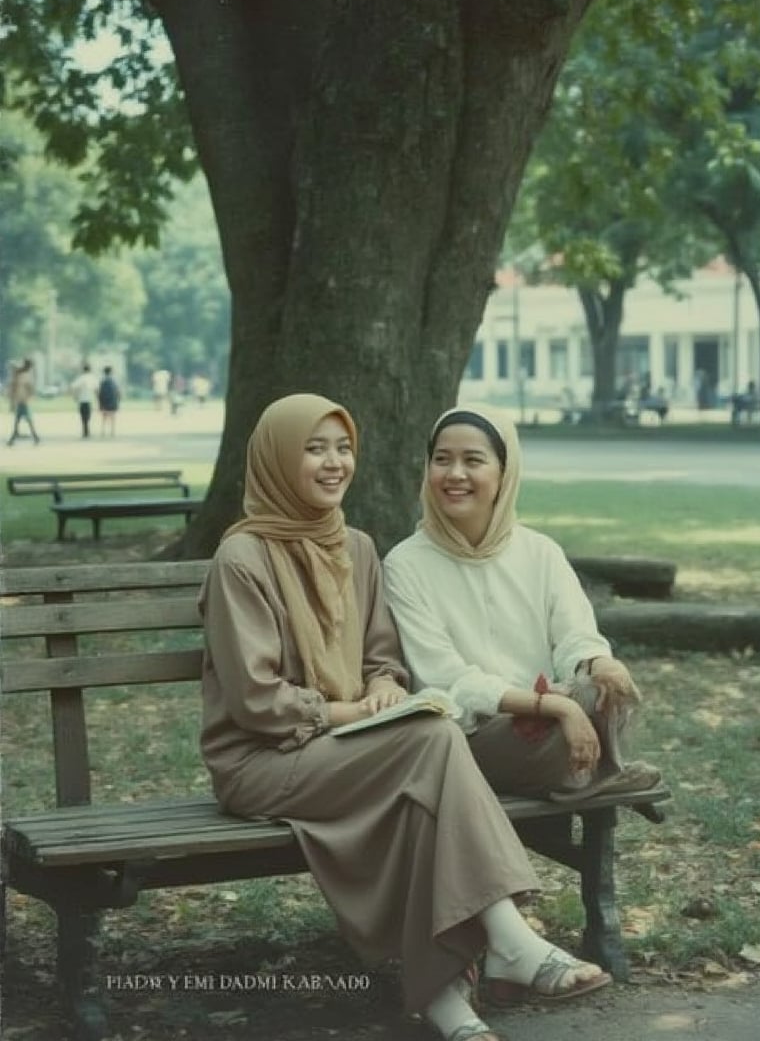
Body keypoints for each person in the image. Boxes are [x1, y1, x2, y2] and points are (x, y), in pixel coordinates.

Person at [199, 394, 611, 1041]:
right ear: (278, 459)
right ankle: (505, 938)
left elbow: (381, 659)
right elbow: (255, 702)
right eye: (314, 449)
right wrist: (350, 710)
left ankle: (446, 998)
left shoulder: (355, 547)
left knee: (425, 785)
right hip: (261, 761)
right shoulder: (241, 561)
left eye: (343, 448)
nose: (335, 463)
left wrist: (386, 689)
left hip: (345, 748)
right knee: (432, 748)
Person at [383, 403, 661, 807]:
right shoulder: (405, 564)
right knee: (470, 732)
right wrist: (551, 707)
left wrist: (598, 664)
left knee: (602, 686)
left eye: (473, 460)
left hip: (552, 715)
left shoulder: (540, 552)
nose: (455, 474)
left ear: (504, 471)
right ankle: (587, 774)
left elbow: (575, 635)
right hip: (471, 736)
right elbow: (445, 679)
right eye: (442, 460)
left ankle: (578, 768)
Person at [6, 358, 40, 446]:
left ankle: (14, 437)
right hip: (23, 400)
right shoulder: (25, 376)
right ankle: (34, 436)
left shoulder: (20, 375)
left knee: (20, 420)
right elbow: (30, 388)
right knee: (27, 420)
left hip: (21, 400)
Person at [70, 361, 99, 438]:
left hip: (82, 400)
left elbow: (73, 387)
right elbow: (96, 389)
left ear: (83, 370)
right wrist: (98, 398)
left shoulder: (81, 378)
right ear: (90, 369)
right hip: (89, 399)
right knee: (88, 416)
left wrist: (75, 396)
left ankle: (85, 430)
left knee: (83, 416)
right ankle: (87, 430)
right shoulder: (93, 378)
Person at [97, 366, 120, 437]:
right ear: (111, 372)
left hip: (104, 401)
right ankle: (112, 431)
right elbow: (117, 391)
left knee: (104, 416)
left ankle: (103, 431)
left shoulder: (102, 381)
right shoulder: (114, 381)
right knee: (112, 416)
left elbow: (100, 392)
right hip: (112, 400)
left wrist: (100, 402)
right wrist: (118, 400)